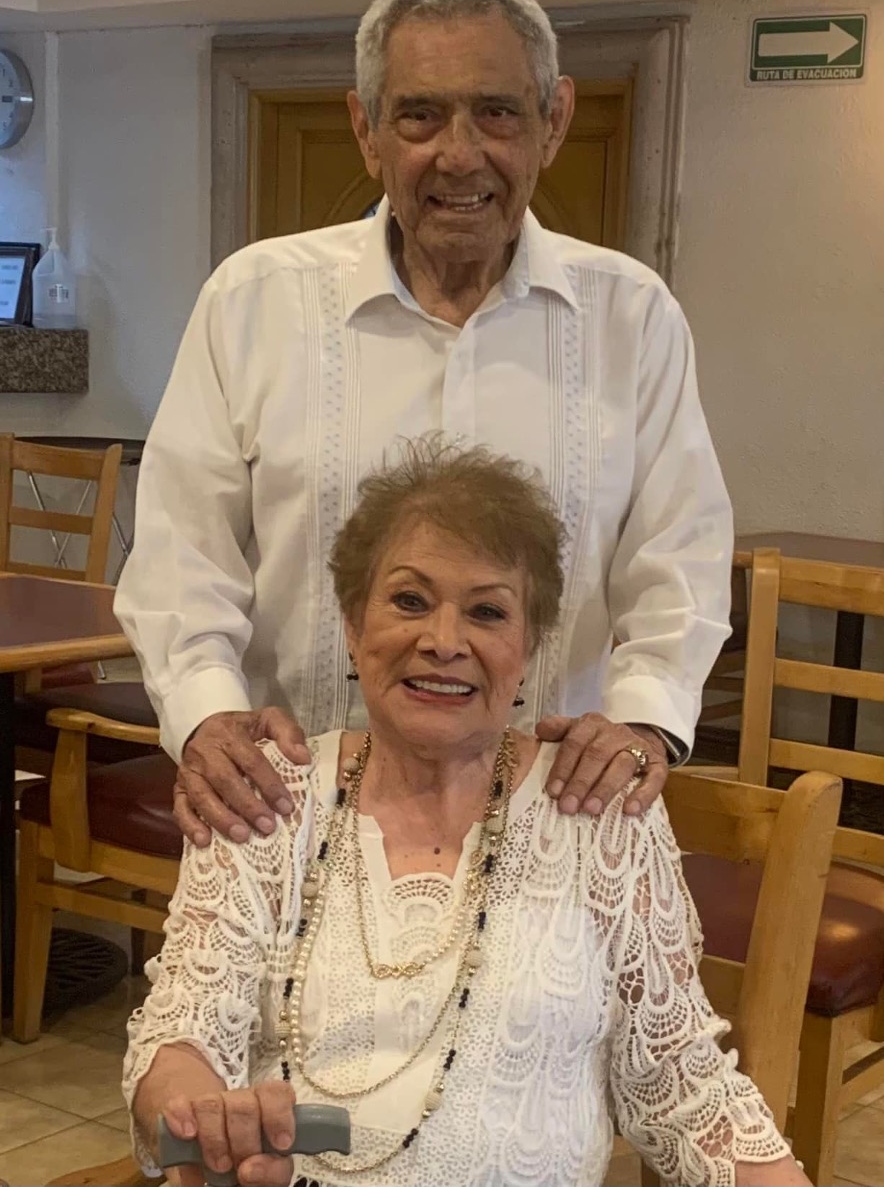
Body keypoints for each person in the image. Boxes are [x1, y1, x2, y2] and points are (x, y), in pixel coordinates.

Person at [114, 0, 733, 849]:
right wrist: (208, 717)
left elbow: (681, 558)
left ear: (554, 120)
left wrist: (643, 720)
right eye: (420, 116)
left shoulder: (632, 318)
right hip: (285, 809)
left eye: (497, 113)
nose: (459, 153)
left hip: (555, 819)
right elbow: (181, 557)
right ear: (366, 130)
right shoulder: (252, 302)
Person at [124, 441, 805, 1187]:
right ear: (353, 623)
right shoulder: (267, 796)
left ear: (528, 646)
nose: (443, 642)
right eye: (409, 601)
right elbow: (182, 1031)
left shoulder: (597, 813)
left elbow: (681, 1088)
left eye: (487, 612)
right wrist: (202, 1120)